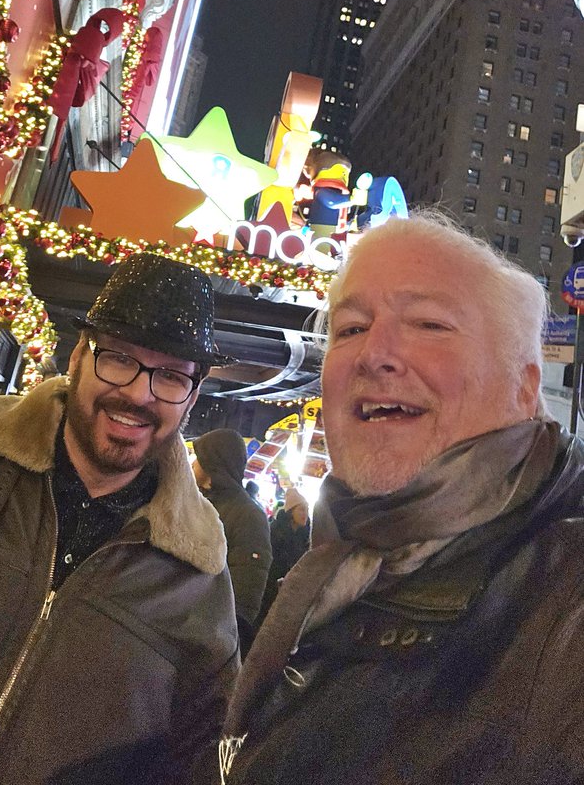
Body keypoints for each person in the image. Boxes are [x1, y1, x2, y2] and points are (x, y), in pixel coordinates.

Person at [215, 212, 584, 784]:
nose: (375, 353)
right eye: (350, 329)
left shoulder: (566, 600)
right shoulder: (332, 566)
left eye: (429, 324)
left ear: (523, 386)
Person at [0, 253, 239, 785]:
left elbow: (195, 764)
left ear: (192, 396)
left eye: (171, 376)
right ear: (80, 355)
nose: (138, 393)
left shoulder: (198, 576)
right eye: (119, 358)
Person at [192, 428, 272, 655]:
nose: (193, 464)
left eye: (199, 459)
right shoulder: (198, 502)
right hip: (184, 626)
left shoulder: (249, 515)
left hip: (209, 639)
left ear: (212, 464)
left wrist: (221, 642)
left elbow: (246, 592)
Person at [257, 486, 310, 622]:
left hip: (289, 588)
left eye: (307, 509)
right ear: (291, 511)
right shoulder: (275, 531)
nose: (305, 514)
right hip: (270, 587)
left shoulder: (304, 535)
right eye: (301, 509)